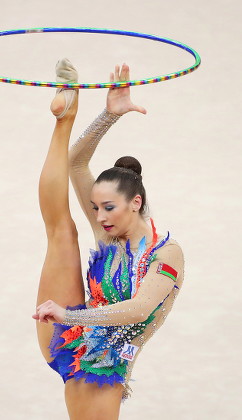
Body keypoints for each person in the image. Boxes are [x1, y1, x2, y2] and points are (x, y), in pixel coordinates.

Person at [32, 59, 184, 420]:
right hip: (79, 343)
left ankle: (64, 117)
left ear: (136, 203)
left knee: (62, 233)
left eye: (108, 208)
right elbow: (76, 164)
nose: (99, 218)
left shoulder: (166, 254)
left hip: (99, 359)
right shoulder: (110, 232)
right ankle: (64, 116)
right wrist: (110, 114)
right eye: (95, 207)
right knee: (61, 231)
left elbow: (138, 309)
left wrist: (68, 314)